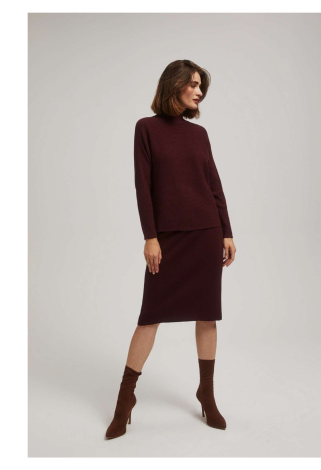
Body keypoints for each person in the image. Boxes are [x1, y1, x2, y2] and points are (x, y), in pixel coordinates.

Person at [105, 59, 237, 439]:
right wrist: (150, 236)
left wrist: (227, 232)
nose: (199, 91)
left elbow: (214, 184)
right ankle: (125, 399)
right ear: (174, 85)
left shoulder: (200, 134)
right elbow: (142, 186)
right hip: (168, 238)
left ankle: (206, 393)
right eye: (193, 84)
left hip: (206, 233)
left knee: (207, 315)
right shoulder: (145, 129)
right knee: (150, 317)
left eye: (201, 86)